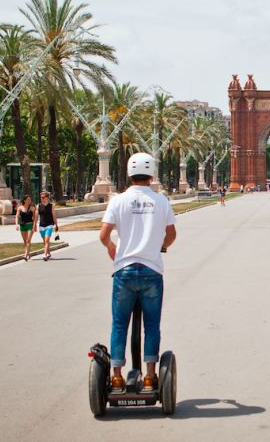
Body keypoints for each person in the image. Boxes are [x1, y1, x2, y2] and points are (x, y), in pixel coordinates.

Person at [99, 152, 177, 392]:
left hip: (124, 271)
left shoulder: (118, 200)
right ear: (152, 174)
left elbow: (103, 235)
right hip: (152, 270)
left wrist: (113, 248)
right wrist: (159, 246)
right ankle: (151, 377)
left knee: (119, 324)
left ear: (129, 174)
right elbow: (172, 235)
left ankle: (116, 377)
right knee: (152, 325)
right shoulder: (161, 201)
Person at [35, 191, 59, 261]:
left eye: (43, 197)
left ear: (47, 198)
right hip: (41, 226)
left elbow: (54, 216)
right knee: (45, 242)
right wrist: (34, 225)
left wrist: (56, 224)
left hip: (49, 225)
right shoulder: (38, 206)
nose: (42, 199)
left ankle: (45, 255)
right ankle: (48, 253)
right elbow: (36, 217)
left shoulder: (51, 206)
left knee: (47, 240)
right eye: (41, 197)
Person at [16, 195, 36, 261]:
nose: (29, 201)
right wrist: (16, 224)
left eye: (30, 200)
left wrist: (34, 225)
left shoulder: (32, 208)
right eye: (28, 199)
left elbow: (35, 218)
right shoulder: (20, 208)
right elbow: (17, 216)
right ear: (24, 200)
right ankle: (28, 254)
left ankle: (25, 255)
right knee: (25, 241)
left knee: (28, 240)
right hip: (22, 225)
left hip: (30, 225)